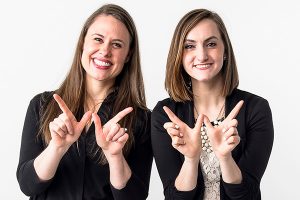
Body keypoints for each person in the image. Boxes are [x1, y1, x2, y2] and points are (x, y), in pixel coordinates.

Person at [17, 4, 152, 200]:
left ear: (128, 54)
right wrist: (56, 148)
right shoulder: (42, 105)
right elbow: (27, 185)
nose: (105, 51)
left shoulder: (142, 119)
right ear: (83, 43)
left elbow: (135, 197)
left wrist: (115, 158)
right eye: (98, 39)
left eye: (117, 44)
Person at [151, 8, 273, 200]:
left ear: (225, 51)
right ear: (179, 55)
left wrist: (225, 157)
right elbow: (173, 197)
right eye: (189, 46)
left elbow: (248, 195)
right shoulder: (164, 114)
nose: (201, 55)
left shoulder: (256, 109)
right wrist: (191, 159)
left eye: (211, 44)